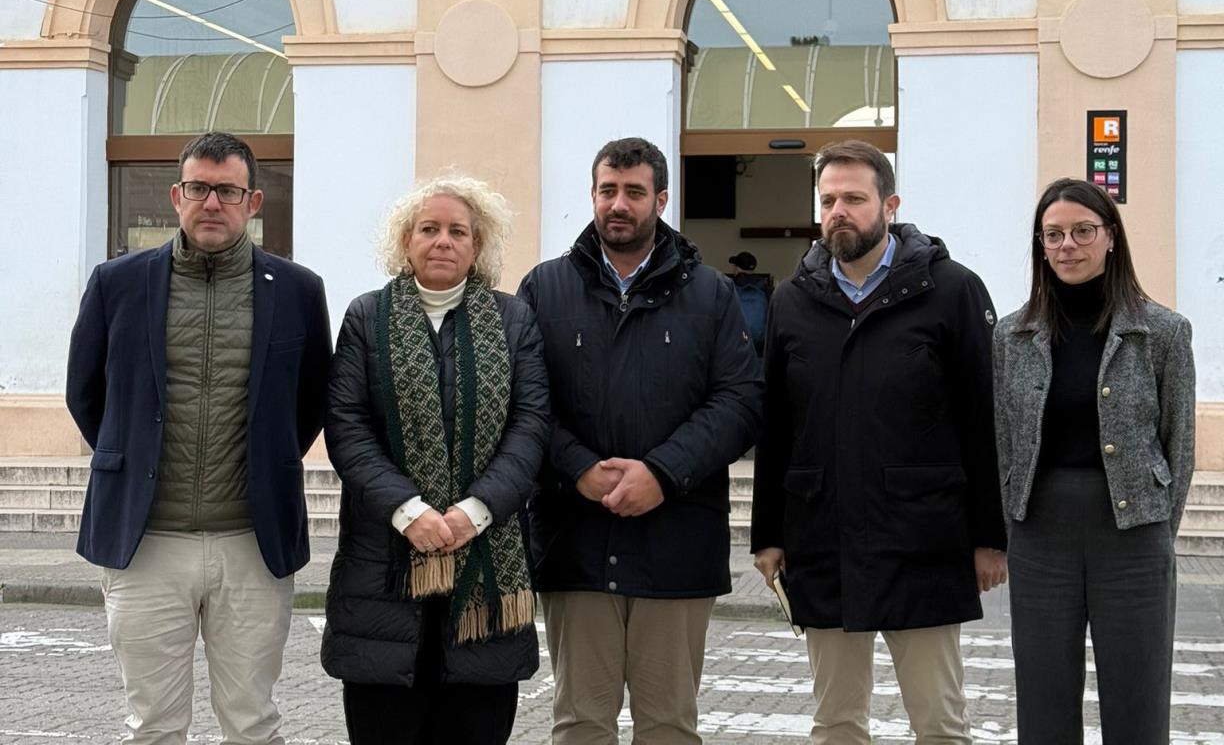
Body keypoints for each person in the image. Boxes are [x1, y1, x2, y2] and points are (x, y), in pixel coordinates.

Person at [66, 131, 332, 744]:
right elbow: (86, 393)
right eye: (198, 188)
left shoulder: (298, 290)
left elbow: (312, 399)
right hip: (146, 541)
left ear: (253, 201)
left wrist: (263, 465)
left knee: (253, 721)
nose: (212, 202)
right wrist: (131, 456)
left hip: (252, 541)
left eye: (228, 191)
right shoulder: (117, 283)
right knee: (153, 725)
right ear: (176, 195)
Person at [750, 139, 1007, 745]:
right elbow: (776, 425)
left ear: (890, 205)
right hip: (823, 536)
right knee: (836, 723)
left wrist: (990, 537)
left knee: (940, 724)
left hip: (924, 538)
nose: (838, 212)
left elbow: (983, 420)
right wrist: (768, 535)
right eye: (828, 201)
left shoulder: (952, 290)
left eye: (854, 199)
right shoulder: (792, 300)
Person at [518, 136, 763, 745]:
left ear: (661, 199)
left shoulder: (710, 293)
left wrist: (662, 472)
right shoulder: (544, 288)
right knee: (580, 724)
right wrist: (577, 467)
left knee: (669, 726)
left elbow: (740, 401)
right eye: (608, 190)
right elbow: (525, 403)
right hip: (575, 543)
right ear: (592, 196)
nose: (619, 204)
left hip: (676, 543)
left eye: (634, 191)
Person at [320, 174, 550, 745]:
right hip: (383, 572)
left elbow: (530, 426)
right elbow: (347, 426)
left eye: (457, 231)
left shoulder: (513, 320)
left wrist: (476, 511)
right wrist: (407, 510)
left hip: (485, 576)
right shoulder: (366, 317)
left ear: (477, 246)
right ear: (406, 241)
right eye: (429, 229)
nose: (443, 241)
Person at [994, 177, 1196, 744]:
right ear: (1040, 246)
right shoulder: (1012, 335)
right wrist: (1010, 523)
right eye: (1053, 234)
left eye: (1083, 231)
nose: (1068, 246)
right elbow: (1004, 439)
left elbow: (1179, 444)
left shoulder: (1162, 331)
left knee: (1138, 700)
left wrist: (1157, 529)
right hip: (1040, 535)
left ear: (1111, 237)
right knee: (1044, 701)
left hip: (1132, 534)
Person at [728, 250, 773, 357]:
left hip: (737, 347)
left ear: (736, 268)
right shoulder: (765, 289)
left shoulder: (729, 287)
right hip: (760, 348)